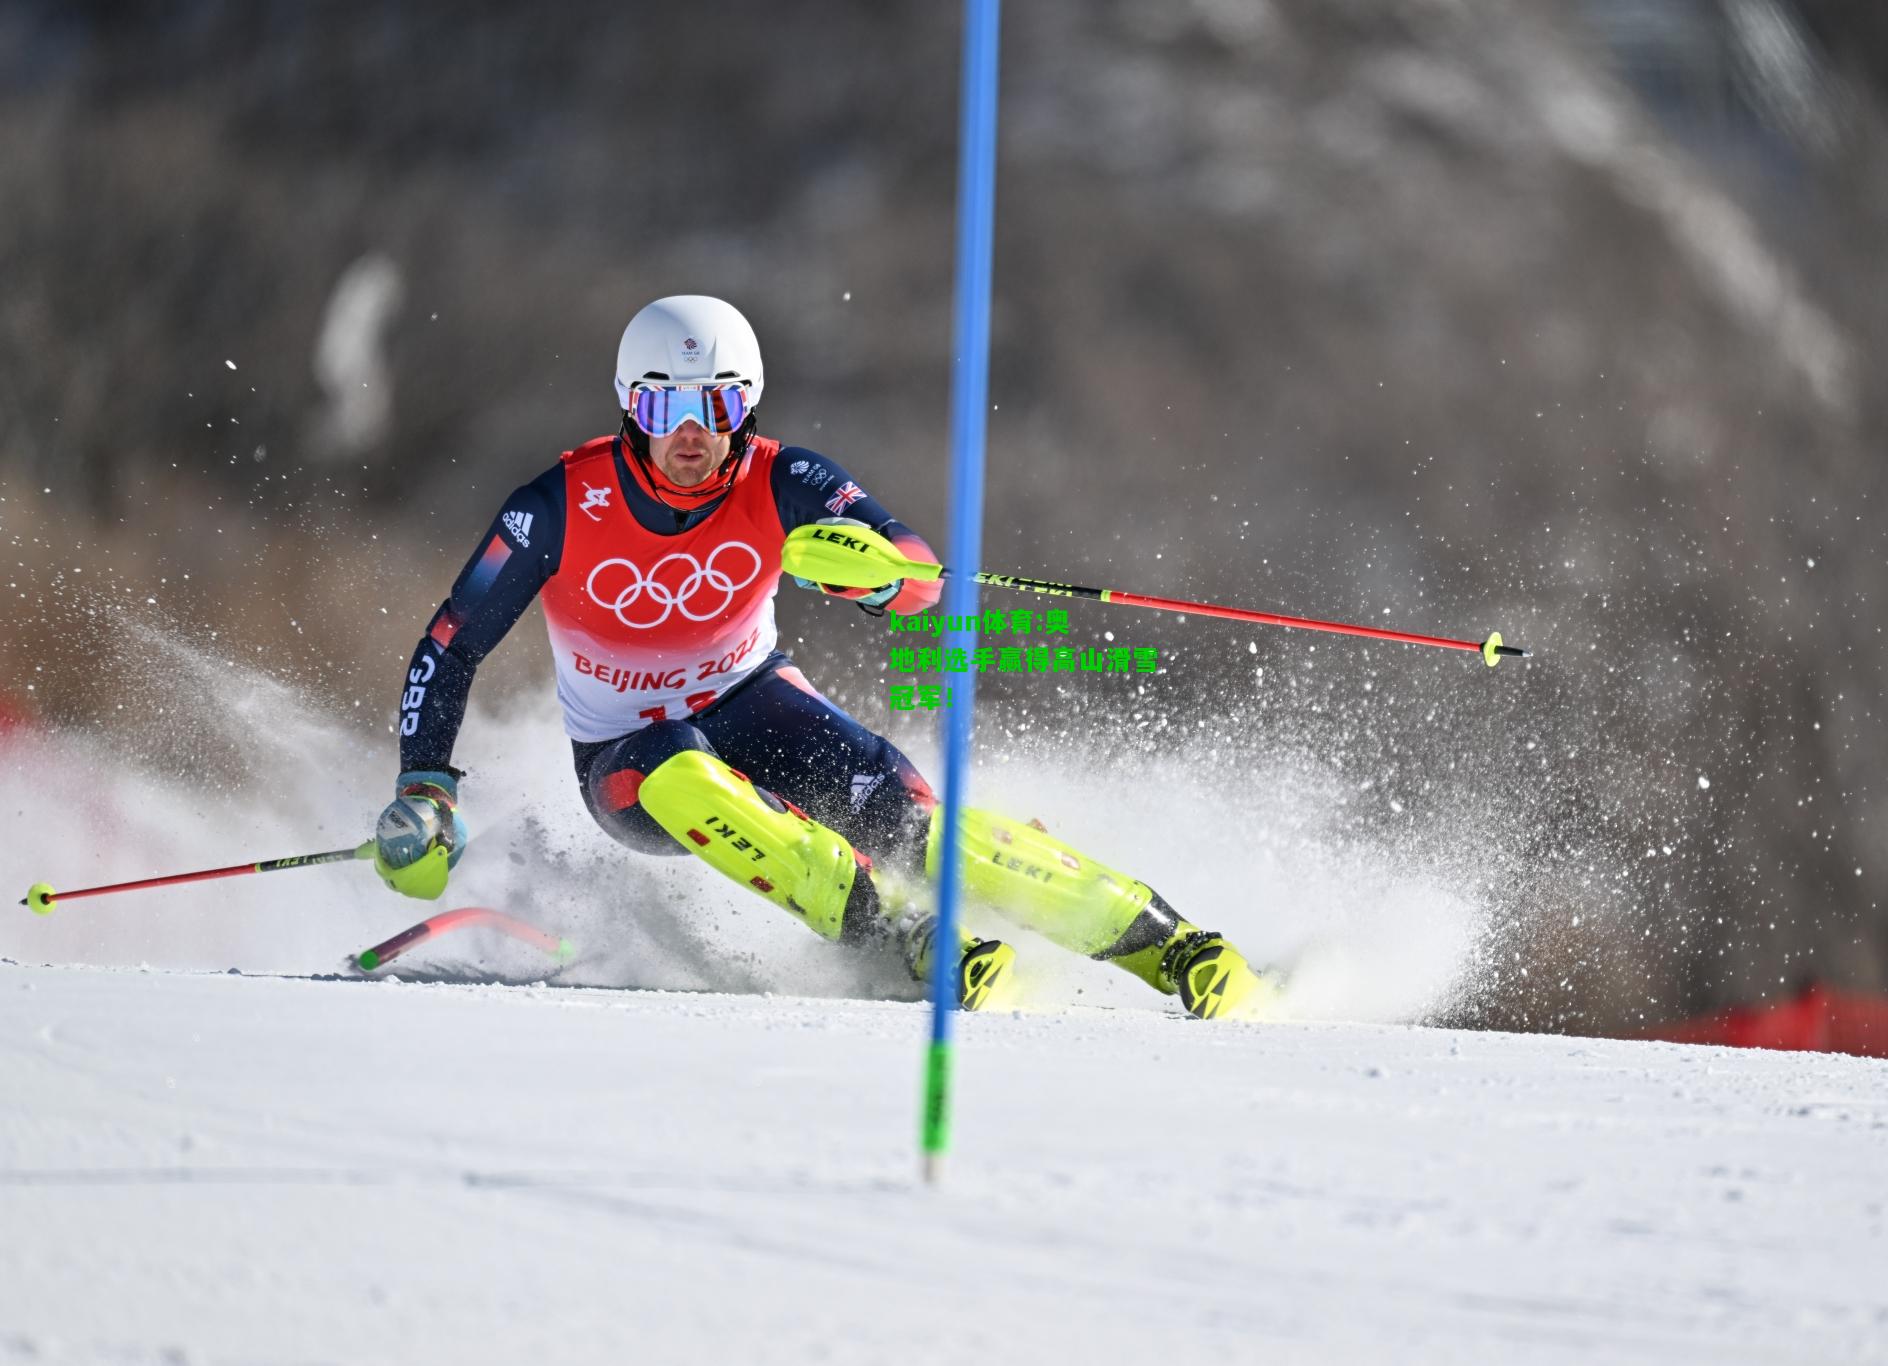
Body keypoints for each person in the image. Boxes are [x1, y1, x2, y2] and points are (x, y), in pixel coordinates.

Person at [371, 295, 1262, 1018]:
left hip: (758, 705)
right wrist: (425, 788)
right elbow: (451, 645)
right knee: (677, 772)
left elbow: (920, 576)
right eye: (664, 406)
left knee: (920, 829)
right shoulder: (559, 504)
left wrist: (878, 577)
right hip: (627, 762)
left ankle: (1170, 945)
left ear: (746, 404)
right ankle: (900, 935)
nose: (692, 433)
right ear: (630, 408)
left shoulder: (783, 477)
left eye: (716, 405)